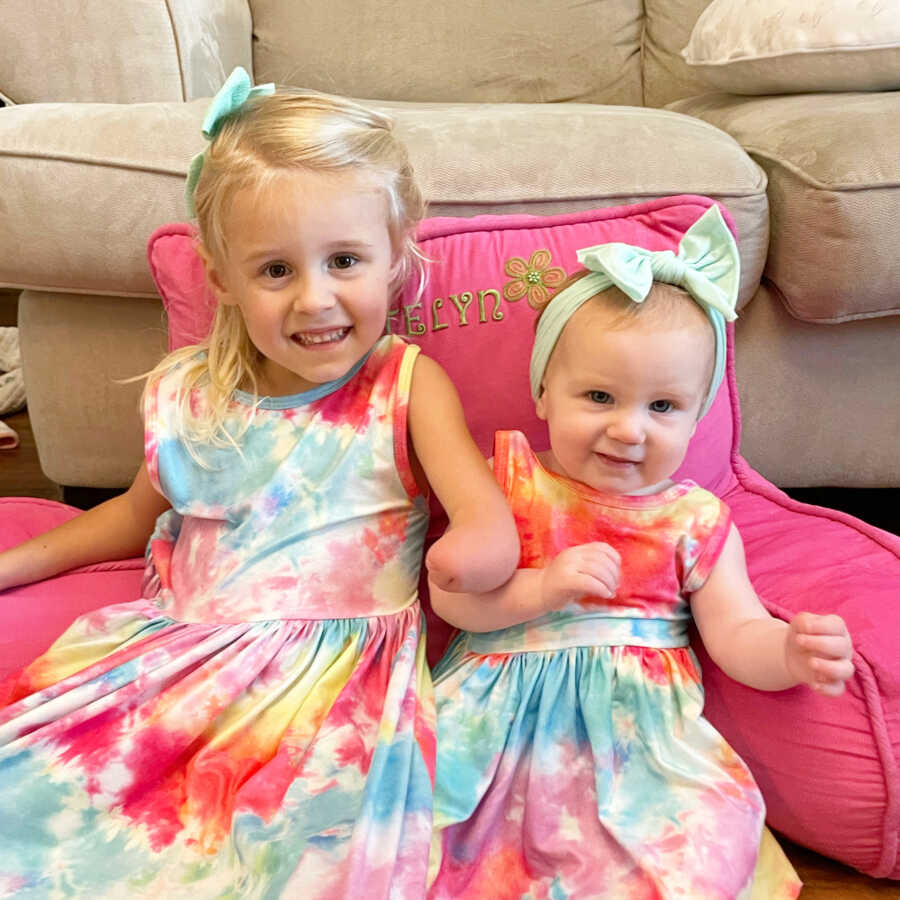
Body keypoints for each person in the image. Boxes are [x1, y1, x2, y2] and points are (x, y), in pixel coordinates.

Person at [0, 68, 519, 899]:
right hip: (186, 659)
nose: (316, 299)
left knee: (299, 854)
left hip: (339, 685)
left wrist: (482, 552)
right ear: (223, 281)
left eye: (344, 259)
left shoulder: (404, 384)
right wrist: (18, 565)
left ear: (393, 257)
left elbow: (482, 514)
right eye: (275, 271)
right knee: (50, 800)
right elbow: (135, 516)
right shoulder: (189, 391)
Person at [426, 205, 854, 899]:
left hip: (637, 745)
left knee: (689, 853)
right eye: (599, 396)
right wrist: (540, 591)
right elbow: (451, 593)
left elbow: (735, 632)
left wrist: (787, 655)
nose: (628, 429)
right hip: (490, 726)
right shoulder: (509, 484)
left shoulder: (693, 518)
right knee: (418, 831)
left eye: (662, 407)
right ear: (543, 393)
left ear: (696, 415)